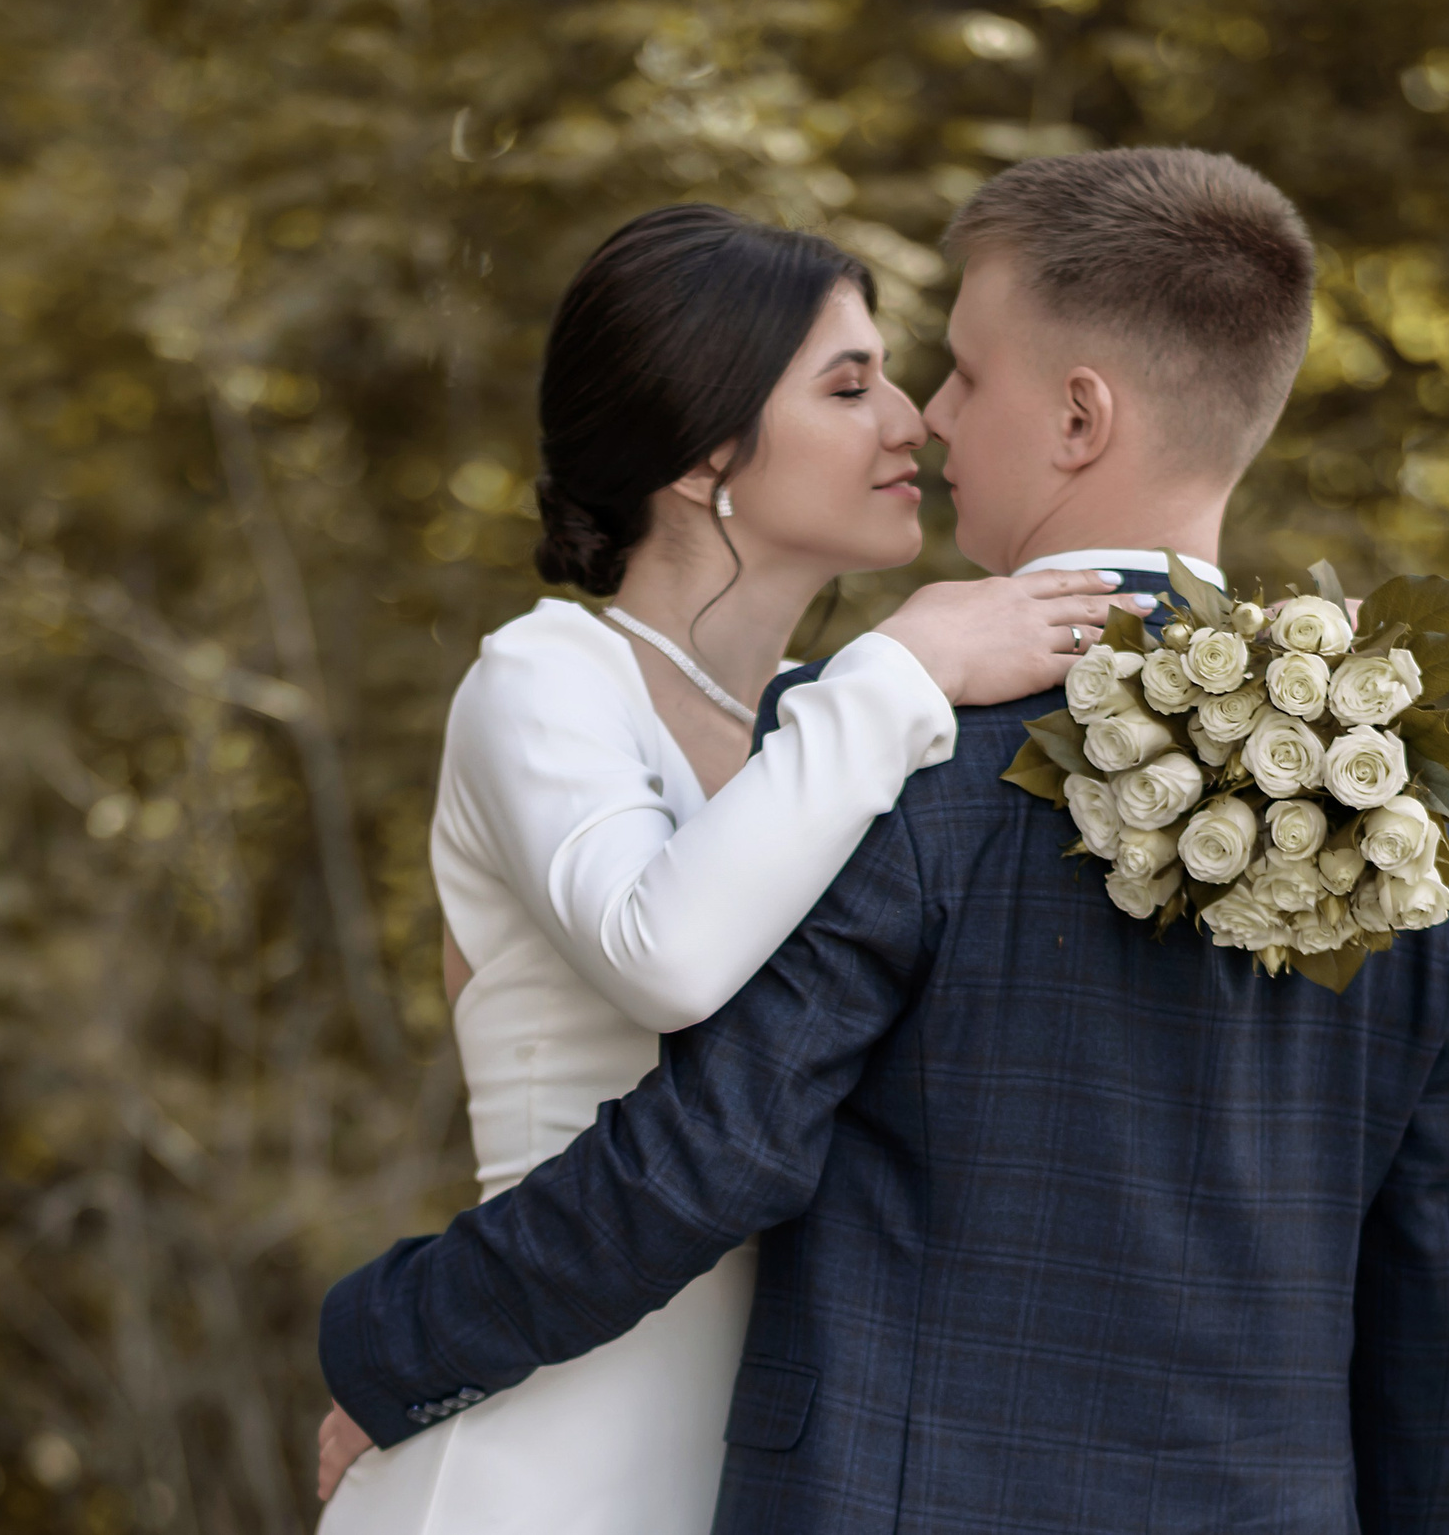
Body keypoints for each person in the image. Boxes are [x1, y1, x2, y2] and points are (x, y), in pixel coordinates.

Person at [318, 149, 1449, 1535]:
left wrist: (392, 1344)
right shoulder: (1423, 809)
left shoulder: (909, 744)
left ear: (1078, 417)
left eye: (962, 371)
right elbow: (1436, 1276)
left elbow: (715, 1151)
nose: (930, 418)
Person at [312, 203, 1142, 1535]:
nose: (913, 420)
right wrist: (910, 660)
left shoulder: (834, 727)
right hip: (538, 1463)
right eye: (850, 384)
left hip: (779, 1474)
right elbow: (666, 953)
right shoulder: (547, 676)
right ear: (707, 449)